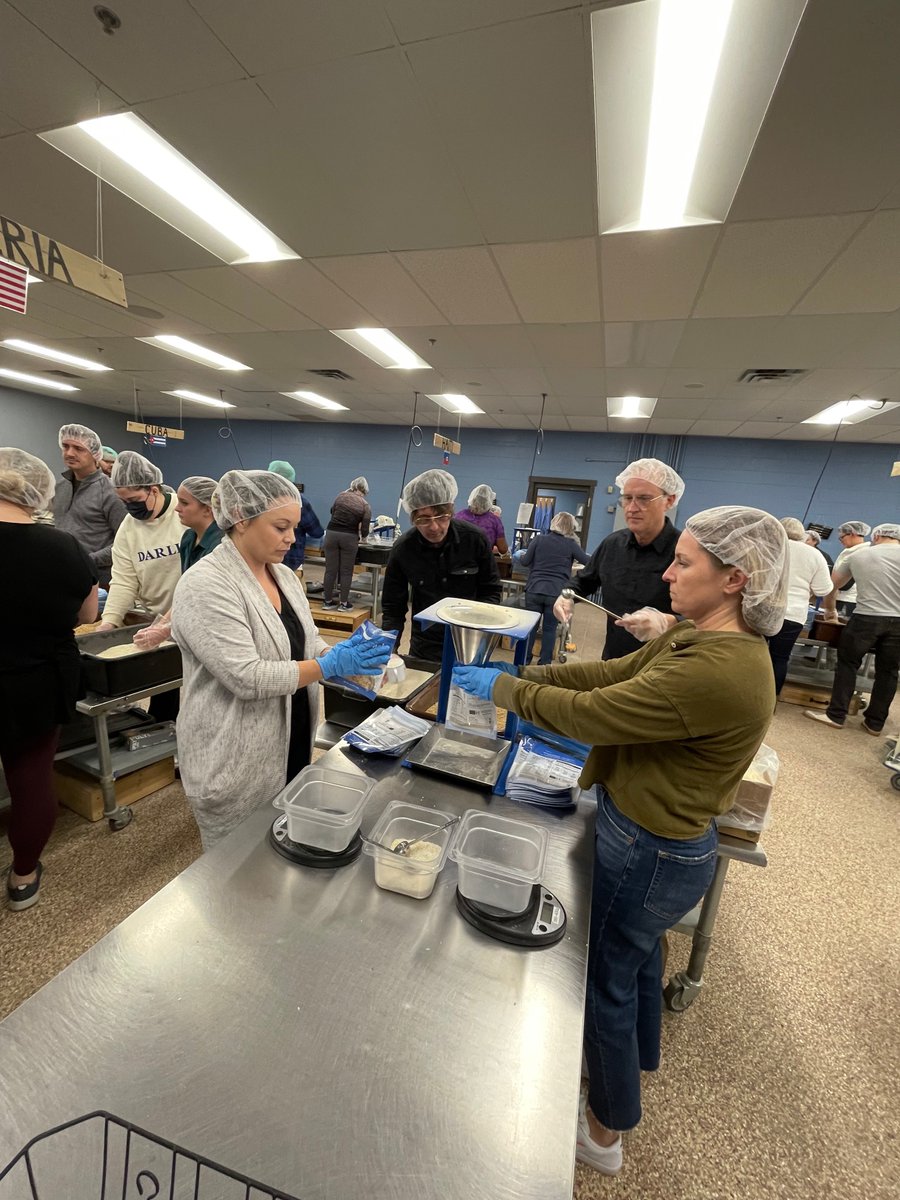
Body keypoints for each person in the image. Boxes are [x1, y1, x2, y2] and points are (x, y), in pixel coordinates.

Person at [451, 506, 788, 1176]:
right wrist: (529, 677)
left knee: (604, 978)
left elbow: (597, 715)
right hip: (653, 837)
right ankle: (632, 1064)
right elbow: (609, 677)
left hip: (651, 849)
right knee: (633, 964)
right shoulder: (695, 638)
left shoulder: (718, 669)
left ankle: (604, 1133)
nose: (667, 570)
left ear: (735, 580)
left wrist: (508, 691)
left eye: (685, 561)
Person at [171, 470, 391, 849]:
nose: (292, 537)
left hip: (290, 739)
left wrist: (337, 655)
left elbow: (306, 637)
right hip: (234, 755)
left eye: (292, 526)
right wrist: (328, 666)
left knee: (282, 851)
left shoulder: (285, 577)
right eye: (280, 526)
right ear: (241, 519)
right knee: (235, 866)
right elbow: (246, 677)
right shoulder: (206, 584)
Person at [0, 449, 97, 910]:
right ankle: (23, 878)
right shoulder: (65, 548)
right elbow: (88, 614)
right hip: (39, 681)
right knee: (32, 777)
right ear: (38, 493)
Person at [554, 458, 685, 659]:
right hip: (614, 659)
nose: (632, 508)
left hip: (663, 664)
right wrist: (566, 596)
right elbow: (583, 581)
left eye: (643, 498)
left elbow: (710, 616)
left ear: (669, 500)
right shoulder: (613, 545)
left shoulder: (684, 551)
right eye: (627, 498)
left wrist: (670, 622)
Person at [381, 469, 501, 662]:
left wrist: (476, 629)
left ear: (451, 510)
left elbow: (492, 591)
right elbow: (393, 607)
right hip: (425, 645)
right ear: (412, 517)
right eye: (424, 519)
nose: (434, 527)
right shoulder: (404, 549)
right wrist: (388, 650)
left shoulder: (475, 540)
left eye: (442, 517)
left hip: (469, 643)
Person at [804, 523, 900, 735]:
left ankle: (836, 715)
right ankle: (875, 723)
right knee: (889, 672)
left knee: (847, 665)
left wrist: (831, 612)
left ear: (876, 536)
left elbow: (832, 586)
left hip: (866, 617)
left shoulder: (858, 556)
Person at [126, 476, 225, 651]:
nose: (177, 509)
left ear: (208, 509)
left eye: (185, 503)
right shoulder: (188, 538)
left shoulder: (220, 545)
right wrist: (161, 624)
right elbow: (186, 592)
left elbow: (202, 598)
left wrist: (165, 629)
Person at [52, 424, 126, 587]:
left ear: (95, 454)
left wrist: (87, 559)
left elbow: (125, 542)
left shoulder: (110, 492)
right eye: (66, 446)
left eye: (79, 448)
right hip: (61, 572)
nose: (70, 453)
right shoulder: (60, 487)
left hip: (97, 578)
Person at [767, 517, 832, 694]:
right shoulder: (814, 554)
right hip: (793, 614)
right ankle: (770, 701)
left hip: (762, 610)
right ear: (802, 534)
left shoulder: (769, 547)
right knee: (780, 658)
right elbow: (823, 589)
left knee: (753, 654)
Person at [519, 512, 590, 665]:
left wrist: (520, 555)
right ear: (571, 528)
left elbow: (525, 562)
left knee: (530, 627)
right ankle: (544, 663)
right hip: (556, 593)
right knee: (549, 629)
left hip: (534, 589)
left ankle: (524, 660)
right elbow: (588, 561)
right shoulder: (571, 545)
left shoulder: (538, 540)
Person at [322, 476, 371, 610]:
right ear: (363, 491)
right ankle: (344, 604)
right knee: (346, 572)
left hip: (331, 534)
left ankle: (327, 602)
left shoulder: (340, 496)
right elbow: (365, 526)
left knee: (330, 570)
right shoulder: (364, 505)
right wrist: (364, 538)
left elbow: (332, 511)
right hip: (349, 537)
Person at [267, 461, 325, 573]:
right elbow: (317, 532)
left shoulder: (259, 499)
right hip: (290, 561)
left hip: (261, 562)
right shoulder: (299, 502)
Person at [827, 521, 870, 617]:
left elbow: (847, 582)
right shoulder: (849, 551)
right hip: (839, 596)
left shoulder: (863, 552)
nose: (840, 540)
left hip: (848, 600)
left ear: (852, 534)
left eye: (842, 537)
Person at [455, 484, 509, 554]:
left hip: (459, 559)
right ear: (489, 501)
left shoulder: (458, 516)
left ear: (472, 498)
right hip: (482, 562)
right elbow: (503, 549)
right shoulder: (494, 521)